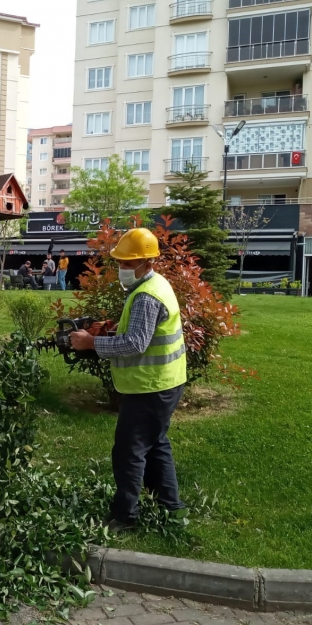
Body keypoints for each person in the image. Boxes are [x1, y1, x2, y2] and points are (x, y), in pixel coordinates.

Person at [69, 228, 187, 534]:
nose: (122, 268)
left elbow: (135, 343)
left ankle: (124, 518)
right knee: (155, 443)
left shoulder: (146, 295)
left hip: (151, 386)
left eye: (127, 263)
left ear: (147, 263)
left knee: (129, 451)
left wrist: (91, 344)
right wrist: (106, 333)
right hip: (165, 381)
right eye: (120, 262)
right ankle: (170, 507)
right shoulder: (155, 284)